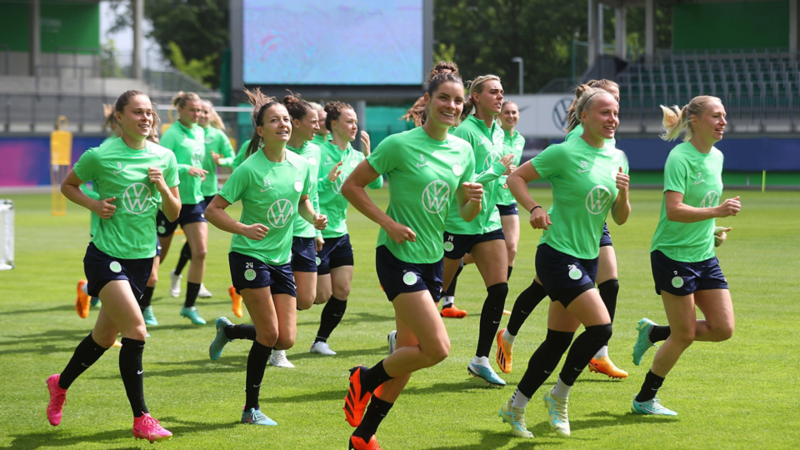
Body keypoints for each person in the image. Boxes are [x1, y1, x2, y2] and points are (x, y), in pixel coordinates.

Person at [339, 71, 483, 450]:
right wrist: (389, 222)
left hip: (432, 260)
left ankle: (362, 436)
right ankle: (364, 379)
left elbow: (463, 215)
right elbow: (350, 187)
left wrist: (475, 201)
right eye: (445, 98)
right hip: (397, 257)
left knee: (408, 353)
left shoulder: (463, 152)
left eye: (457, 101)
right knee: (437, 349)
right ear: (428, 101)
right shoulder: (398, 145)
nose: (452, 106)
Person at [49, 90, 180, 442]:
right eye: (137, 112)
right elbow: (68, 186)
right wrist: (94, 204)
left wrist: (163, 186)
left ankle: (59, 384)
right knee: (136, 332)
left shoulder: (165, 156)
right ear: (119, 117)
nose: (146, 118)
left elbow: (174, 212)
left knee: (104, 337)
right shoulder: (100, 156)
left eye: (149, 112)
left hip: (140, 259)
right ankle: (143, 418)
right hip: (106, 257)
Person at [500, 86, 629, 439]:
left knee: (557, 341)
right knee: (601, 328)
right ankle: (559, 396)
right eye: (604, 112)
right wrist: (535, 208)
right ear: (583, 117)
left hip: (588, 257)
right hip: (557, 255)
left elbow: (619, 218)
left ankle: (515, 406)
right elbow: (515, 178)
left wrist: (625, 193)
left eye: (615, 112)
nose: (612, 118)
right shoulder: (563, 152)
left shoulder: (618, 156)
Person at [205, 89, 326, 425]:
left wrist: (313, 218)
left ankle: (229, 333)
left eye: (286, 119)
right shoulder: (249, 169)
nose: (283, 124)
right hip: (248, 256)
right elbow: (213, 211)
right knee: (270, 335)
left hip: (280, 259)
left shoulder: (301, 164)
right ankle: (250, 409)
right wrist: (243, 229)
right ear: (260, 130)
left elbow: (301, 201)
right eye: (274, 120)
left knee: (285, 338)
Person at [630, 96, 738, 416]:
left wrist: (712, 227)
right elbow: (675, 211)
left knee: (723, 329)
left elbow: (698, 206)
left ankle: (654, 333)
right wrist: (717, 210)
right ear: (695, 121)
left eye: (725, 116)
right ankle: (644, 399)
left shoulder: (716, 156)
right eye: (716, 116)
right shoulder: (680, 157)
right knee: (685, 335)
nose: (723, 122)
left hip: (703, 255)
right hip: (672, 256)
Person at [442, 74, 513, 386]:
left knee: (499, 289)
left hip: (488, 221)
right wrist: (497, 171)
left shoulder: (498, 131)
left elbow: (493, 180)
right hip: (457, 221)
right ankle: (402, 334)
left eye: (501, 92)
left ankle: (481, 359)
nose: (500, 96)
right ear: (476, 98)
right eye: (493, 92)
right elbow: (462, 180)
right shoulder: (466, 131)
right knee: (435, 292)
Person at [309, 101, 383, 356]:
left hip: (340, 233)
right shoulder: (318, 151)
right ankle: (273, 304)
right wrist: (325, 181)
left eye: (355, 122)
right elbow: (306, 192)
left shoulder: (355, 156)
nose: (354, 126)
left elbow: (376, 185)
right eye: (349, 121)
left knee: (342, 289)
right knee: (318, 296)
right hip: (316, 232)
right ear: (333, 124)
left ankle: (320, 341)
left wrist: (368, 155)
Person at [270, 92, 324, 368]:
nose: (318, 126)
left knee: (306, 299)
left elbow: (309, 194)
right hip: (278, 234)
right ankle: (278, 350)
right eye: (313, 121)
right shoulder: (272, 151)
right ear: (297, 123)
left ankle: (233, 330)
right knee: (285, 295)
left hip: (305, 232)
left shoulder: (314, 151)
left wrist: (316, 226)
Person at [168, 100, 235, 300]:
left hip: (207, 192)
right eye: (199, 111)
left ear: (212, 114)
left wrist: (221, 161)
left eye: (205, 111)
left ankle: (189, 280)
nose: (202, 115)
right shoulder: (184, 133)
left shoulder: (217, 135)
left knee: (198, 245)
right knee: (191, 243)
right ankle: (178, 274)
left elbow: (234, 158)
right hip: (186, 192)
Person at [156, 91, 210, 325]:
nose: (197, 114)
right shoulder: (172, 134)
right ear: (180, 111)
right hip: (170, 200)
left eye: (199, 110)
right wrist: (185, 167)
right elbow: (161, 161)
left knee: (201, 252)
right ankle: (143, 304)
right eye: (192, 110)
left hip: (195, 200)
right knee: (158, 257)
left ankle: (189, 306)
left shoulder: (200, 131)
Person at [76, 104, 120, 318]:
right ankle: (109, 331)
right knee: (113, 281)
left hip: (134, 226)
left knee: (113, 281)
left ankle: (86, 290)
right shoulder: (104, 150)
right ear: (116, 123)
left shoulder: (142, 147)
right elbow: (78, 184)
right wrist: (97, 201)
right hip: (105, 221)